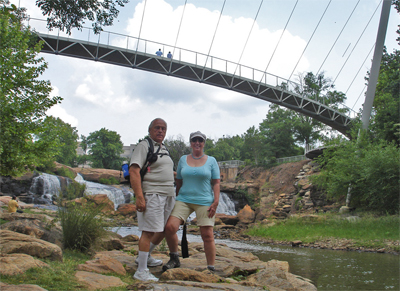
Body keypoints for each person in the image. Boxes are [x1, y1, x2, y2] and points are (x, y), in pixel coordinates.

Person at [163, 131, 220, 272]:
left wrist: (216, 202)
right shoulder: (183, 159)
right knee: (170, 227)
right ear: (190, 143)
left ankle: (211, 267)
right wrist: (175, 200)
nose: (197, 143)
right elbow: (179, 181)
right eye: (194, 140)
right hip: (184, 199)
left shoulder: (211, 161)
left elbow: (216, 182)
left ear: (204, 143)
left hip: (204, 200)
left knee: (207, 234)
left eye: (200, 140)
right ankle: (174, 257)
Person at [129, 118, 176, 282]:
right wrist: (140, 196)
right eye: (157, 128)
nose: (161, 131)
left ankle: (145, 256)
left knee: (163, 229)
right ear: (150, 130)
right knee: (148, 231)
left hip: (168, 194)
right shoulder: (144, 145)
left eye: (164, 128)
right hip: (152, 194)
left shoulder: (164, 148)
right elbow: (134, 170)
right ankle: (141, 271)